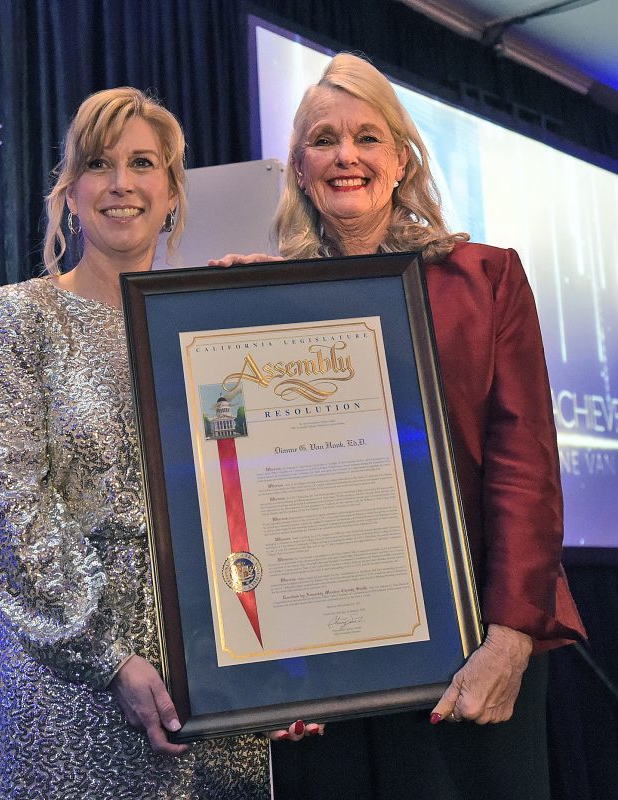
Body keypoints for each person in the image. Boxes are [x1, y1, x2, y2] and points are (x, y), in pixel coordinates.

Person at [212, 52, 586, 800]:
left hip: (472, 643)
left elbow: (525, 467)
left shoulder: (484, 280)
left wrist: (511, 636)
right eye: (323, 140)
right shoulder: (262, 299)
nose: (345, 156)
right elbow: (231, 468)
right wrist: (220, 328)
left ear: (402, 159)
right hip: (324, 657)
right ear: (299, 169)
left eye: (367, 137)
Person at [0, 87, 273, 799]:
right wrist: (108, 657)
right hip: (67, 683)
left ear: (173, 193)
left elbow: (243, 486)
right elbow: (14, 513)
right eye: (99, 164)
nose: (121, 184)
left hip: (212, 670)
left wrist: (277, 654)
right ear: (71, 193)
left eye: (143, 163)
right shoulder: (21, 318)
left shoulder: (210, 328)